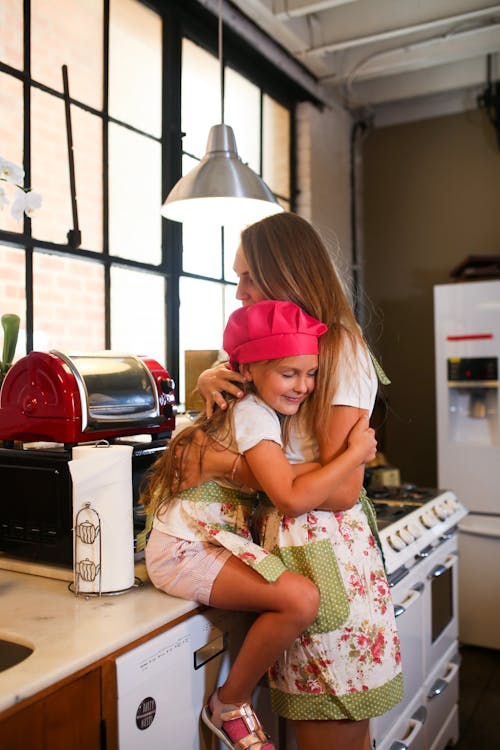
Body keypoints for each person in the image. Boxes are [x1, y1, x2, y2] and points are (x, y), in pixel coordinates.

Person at [187, 212, 403, 750]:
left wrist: (224, 468)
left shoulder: (340, 352)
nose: (238, 292)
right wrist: (208, 379)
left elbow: (344, 489)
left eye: (247, 278)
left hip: (325, 548)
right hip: (299, 552)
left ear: (285, 276)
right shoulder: (283, 347)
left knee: (333, 730)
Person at [141, 298, 378, 750]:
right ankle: (229, 702)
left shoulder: (258, 406)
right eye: (290, 374)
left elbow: (287, 481)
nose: (304, 386)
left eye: (310, 373)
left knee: (299, 598)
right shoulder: (253, 414)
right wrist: (353, 456)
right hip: (182, 550)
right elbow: (289, 496)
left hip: (207, 543)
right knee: (300, 600)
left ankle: (233, 698)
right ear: (249, 370)